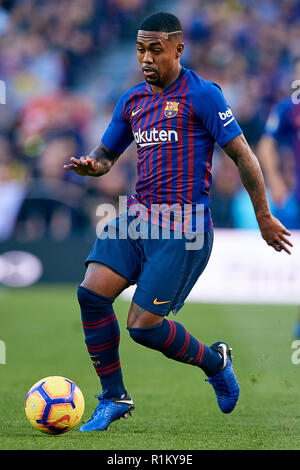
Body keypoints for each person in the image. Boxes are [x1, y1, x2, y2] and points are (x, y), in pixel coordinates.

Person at [64, 12, 293, 432]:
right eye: (139, 49)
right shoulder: (132, 100)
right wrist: (91, 165)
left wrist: (263, 216)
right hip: (137, 216)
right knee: (91, 294)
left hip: (183, 229)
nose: (146, 58)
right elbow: (106, 155)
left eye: (155, 49)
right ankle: (114, 395)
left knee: (143, 329)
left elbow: (244, 156)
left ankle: (215, 361)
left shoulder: (203, 96)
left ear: (177, 49)